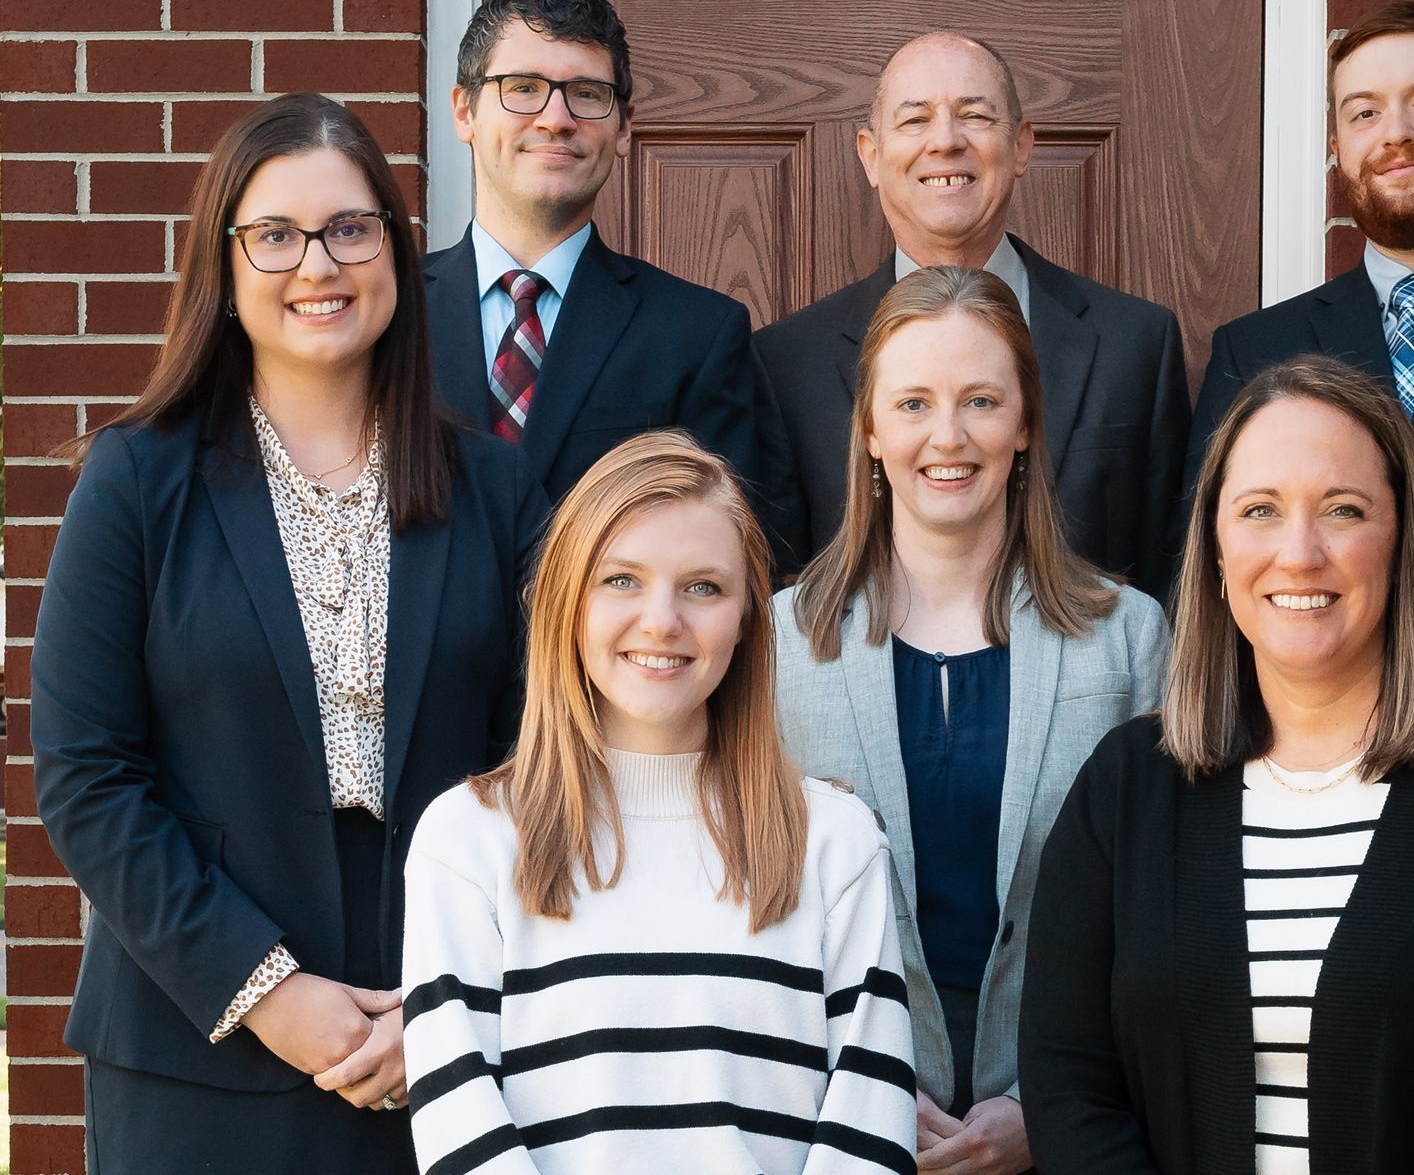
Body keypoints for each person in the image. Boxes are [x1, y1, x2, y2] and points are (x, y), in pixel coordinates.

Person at [29, 92, 546, 1174]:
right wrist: (263, 987)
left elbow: (538, 762)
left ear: (397, 258)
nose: (318, 263)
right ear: (224, 267)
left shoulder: (495, 488)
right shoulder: (137, 479)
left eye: (351, 228)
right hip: (196, 1042)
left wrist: (450, 994)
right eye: (276, 234)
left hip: (441, 1036)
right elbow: (87, 775)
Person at [1022, 355, 1414, 1173]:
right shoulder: (1127, 786)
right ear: (1216, 551)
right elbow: (1068, 1086)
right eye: (1260, 510)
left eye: (1343, 510)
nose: (1300, 552)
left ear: (1404, 538)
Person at [403, 430, 918, 1175]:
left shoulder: (834, 843)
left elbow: (870, 1128)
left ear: (747, 619)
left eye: (703, 586)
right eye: (622, 580)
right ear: (566, 600)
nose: (661, 620)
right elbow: (461, 1127)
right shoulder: (468, 840)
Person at [773, 266, 1169, 1173]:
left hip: (1069, 1129)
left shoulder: (1128, 638)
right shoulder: (777, 644)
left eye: (981, 400)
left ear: (1026, 421)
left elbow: (1160, 913)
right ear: (869, 429)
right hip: (830, 1125)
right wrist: (855, 1080)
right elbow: (742, 900)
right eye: (912, 402)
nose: (946, 436)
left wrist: (1046, 1106)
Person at [753, 31, 1190, 596]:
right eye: (914, 120)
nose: (945, 141)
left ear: (1022, 146)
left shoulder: (1137, 343)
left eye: (975, 115)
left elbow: (1172, 580)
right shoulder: (787, 362)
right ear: (871, 155)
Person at [425, 0, 756, 505]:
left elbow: (732, 548)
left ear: (624, 128)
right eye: (524, 89)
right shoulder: (385, 311)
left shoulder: (698, 335)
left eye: (586, 93)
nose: (557, 119)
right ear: (465, 111)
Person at [1186, 1, 1414, 489]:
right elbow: (1201, 547)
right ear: (1338, 152)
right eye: (1365, 113)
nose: (1396, 133)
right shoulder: (1254, 351)